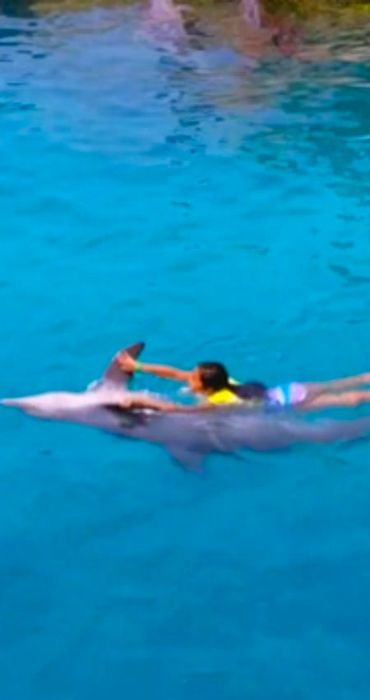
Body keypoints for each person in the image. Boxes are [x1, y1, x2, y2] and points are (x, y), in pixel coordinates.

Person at [117, 350, 370, 412]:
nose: (188, 377)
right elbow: (173, 373)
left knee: (346, 399)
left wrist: (140, 401)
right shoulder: (224, 382)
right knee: (341, 383)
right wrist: (136, 366)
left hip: (285, 404)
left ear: (207, 388)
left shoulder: (217, 401)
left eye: (193, 377)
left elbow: (179, 410)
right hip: (288, 390)